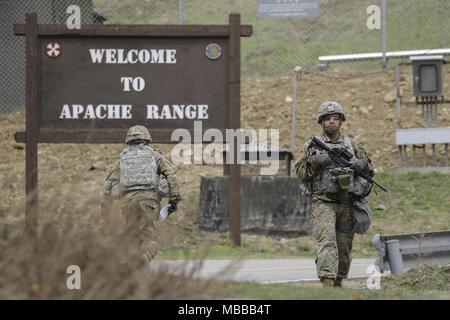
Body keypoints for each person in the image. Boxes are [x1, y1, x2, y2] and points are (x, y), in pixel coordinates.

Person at [295, 101, 374, 288]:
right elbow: (299, 172)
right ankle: (327, 284)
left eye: (335, 118)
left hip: (347, 203)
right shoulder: (311, 145)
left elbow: (369, 169)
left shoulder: (352, 145)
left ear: (341, 121)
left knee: (344, 246)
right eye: (327, 119)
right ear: (321, 122)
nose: (331, 122)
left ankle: (338, 282)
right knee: (327, 241)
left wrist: (361, 165)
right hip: (324, 202)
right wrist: (315, 162)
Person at [101, 125, 182, 267]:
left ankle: (132, 269)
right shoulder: (154, 156)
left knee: (133, 238)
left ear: (129, 141)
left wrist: (105, 214)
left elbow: (107, 186)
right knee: (151, 239)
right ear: (146, 139)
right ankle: (142, 261)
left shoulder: (122, 160)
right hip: (148, 202)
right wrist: (174, 201)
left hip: (128, 204)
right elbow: (172, 176)